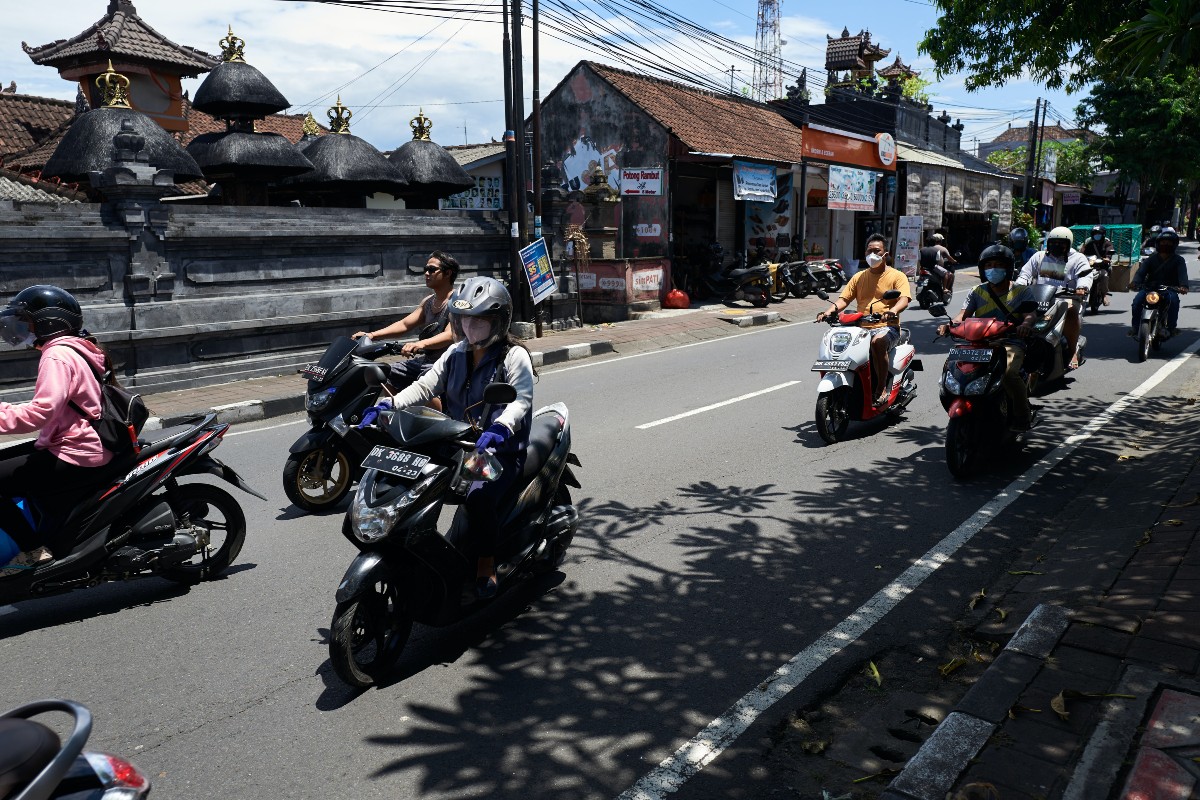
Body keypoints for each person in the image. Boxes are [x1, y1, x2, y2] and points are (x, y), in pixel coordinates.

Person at [387, 276, 535, 599]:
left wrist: (500, 427)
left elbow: (521, 400)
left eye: (480, 320)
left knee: (478, 497)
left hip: (500, 452)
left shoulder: (514, 357)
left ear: (498, 321)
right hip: (461, 446)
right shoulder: (456, 352)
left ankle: (486, 563)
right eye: (466, 319)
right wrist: (391, 403)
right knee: (416, 479)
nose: (471, 327)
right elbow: (427, 385)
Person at [0, 286, 128, 576]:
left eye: (26, 322)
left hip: (76, 451)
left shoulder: (56, 356)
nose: (21, 328)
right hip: (81, 443)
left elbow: (38, 414)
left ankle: (33, 551)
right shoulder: (76, 348)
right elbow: (55, 405)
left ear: (48, 322)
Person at [938, 245, 1039, 430]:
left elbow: (1030, 315)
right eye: (989, 265)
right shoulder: (977, 291)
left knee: (1009, 375)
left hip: (1009, 342)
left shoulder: (1021, 291)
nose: (993, 269)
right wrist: (950, 325)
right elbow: (962, 316)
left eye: (999, 265)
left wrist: (1025, 325)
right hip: (978, 344)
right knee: (953, 373)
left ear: (1009, 268)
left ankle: (1022, 416)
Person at [817, 233, 912, 407]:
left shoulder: (897, 276)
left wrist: (892, 311)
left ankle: (881, 388)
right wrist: (828, 311)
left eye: (877, 251)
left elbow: (904, 299)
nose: (873, 255)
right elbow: (843, 299)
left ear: (886, 253)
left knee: (877, 343)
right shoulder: (859, 277)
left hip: (887, 327)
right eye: (870, 251)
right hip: (860, 327)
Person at [353, 251, 459, 392]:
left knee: (425, 383)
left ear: (448, 273)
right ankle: (397, 411)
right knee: (385, 375)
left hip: (446, 362)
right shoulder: (428, 302)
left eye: (432, 269)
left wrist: (420, 343)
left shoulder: (457, 301)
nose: (427, 273)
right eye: (425, 269)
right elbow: (404, 324)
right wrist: (371, 335)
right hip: (426, 360)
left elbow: (450, 335)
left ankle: (436, 414)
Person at [1015, 226, 1092, 370]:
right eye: (1053, 242)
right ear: (1048, 243)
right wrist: (1019, 285)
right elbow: (1025, 273)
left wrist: (1082, 287)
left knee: (1070, 310)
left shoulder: (1078, 258)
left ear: (1068, 244)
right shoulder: (1039, 256)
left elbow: (1085, 276)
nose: (1057, 246)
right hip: (1039, 297)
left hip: (1066, 298)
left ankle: (1072, 349)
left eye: (1061, 243)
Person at [1130, 227, 1188, 338]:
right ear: (1158, 244)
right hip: (1149, 288)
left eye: (1168, 243)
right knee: (1137, 301)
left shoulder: (1179, 260)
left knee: (1174, 301)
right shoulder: (1151, 259)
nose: (1165, 244)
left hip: (1169, 289)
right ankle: (1135, 327)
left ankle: (1171, 328)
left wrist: (1183, 286)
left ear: (1174, 245)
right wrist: (1135, 282)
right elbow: (1141, 272)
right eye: (1163, 242)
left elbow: (1182, 275)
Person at [1080, 224, 1116, 311]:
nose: (1097, 235)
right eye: (1095, 233)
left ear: (1103, 234)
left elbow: (1110, 251)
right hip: (1090, 266)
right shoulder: (1089, 243)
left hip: (1103, 267)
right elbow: (1082, 253)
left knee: (1103, 275)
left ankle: (1104, 295)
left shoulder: (1107, 243)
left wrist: (1107, 258)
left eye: (1098, 233)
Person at [919, 232, 957, 302]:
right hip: (933, 267)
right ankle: (944, 288)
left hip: (923, 268)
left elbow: (919, 259)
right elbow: (937, 259)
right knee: (946, 274)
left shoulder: (922, 249)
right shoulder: (937, 250)